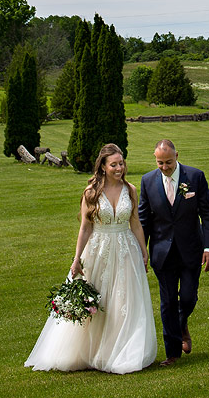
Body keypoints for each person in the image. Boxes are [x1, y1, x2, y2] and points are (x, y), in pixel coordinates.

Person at [25, 143, 157, 373]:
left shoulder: (131, 190)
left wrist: (143, 251)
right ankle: (88, 351)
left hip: (126, 250)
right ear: (103, 167)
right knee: (99, 301)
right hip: (99, 251)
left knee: (124, 302)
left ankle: (121, 350)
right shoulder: (91, 193)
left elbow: (135, 222)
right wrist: (76, 259)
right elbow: (85, 228)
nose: (119, 168)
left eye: (121, 163)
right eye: (114, 164)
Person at [138, 138, 209, 366]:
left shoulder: (195, 177)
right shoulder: (147, 181)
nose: (164, 167)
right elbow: (143, 220)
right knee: (168, 302)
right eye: (160, 163)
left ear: (177, 156)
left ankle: (181, 324)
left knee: (189, 297)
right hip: (162, 253)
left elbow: (208, 213)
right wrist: (141, 251)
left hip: (192, 250)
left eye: (168, 162)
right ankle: (172, 353)